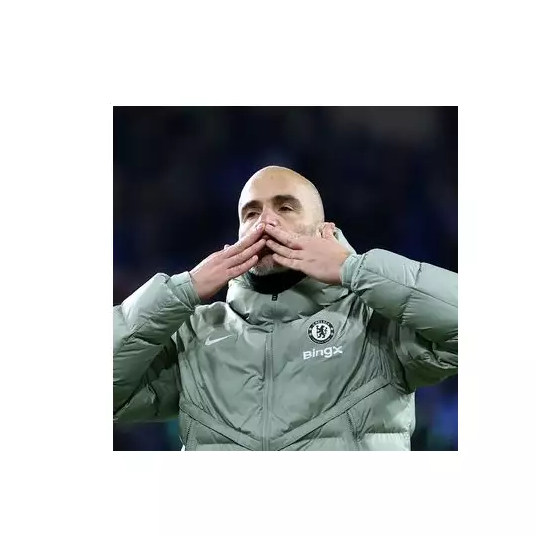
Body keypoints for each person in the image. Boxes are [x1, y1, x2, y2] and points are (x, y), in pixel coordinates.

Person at [113, 166, 458, 451]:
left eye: (285, 208)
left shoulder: (376, 318)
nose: (265, 222)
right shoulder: (195, 334)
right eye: (251, 213)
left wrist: (353, 268)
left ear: (324, 230)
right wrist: (182, 289)